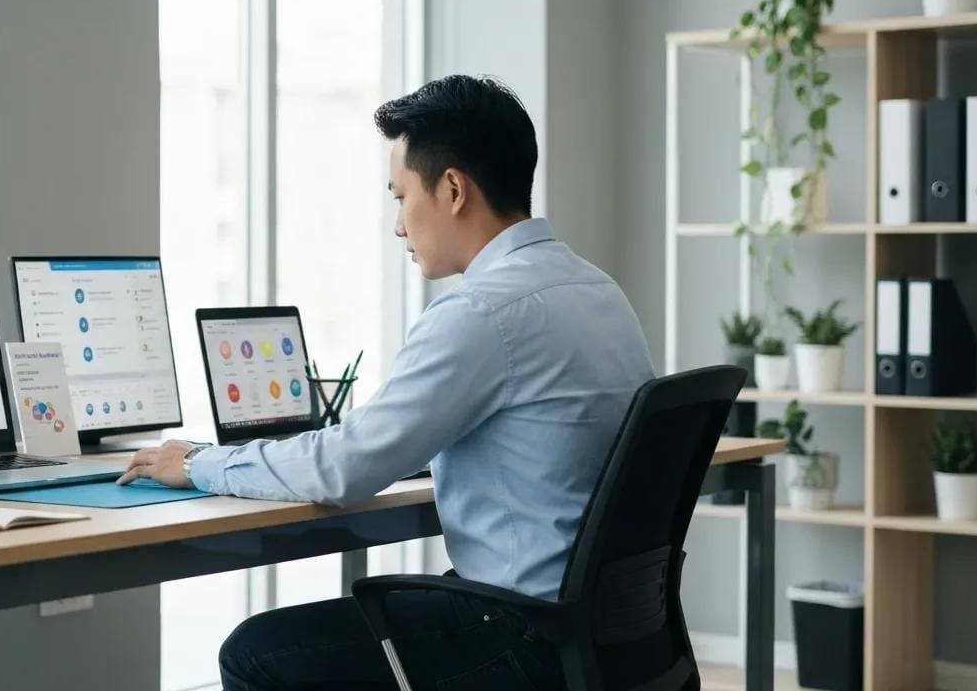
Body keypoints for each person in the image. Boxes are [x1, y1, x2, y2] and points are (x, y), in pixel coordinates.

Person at [120, 74, 655, 689]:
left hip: (521, 637)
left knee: (256, 652)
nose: (398, 224)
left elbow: (342, 470)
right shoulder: (597, 290)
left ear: (452, 188)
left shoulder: (481, 313)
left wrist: (198, 463)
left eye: (400, 197)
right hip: (606, 633)